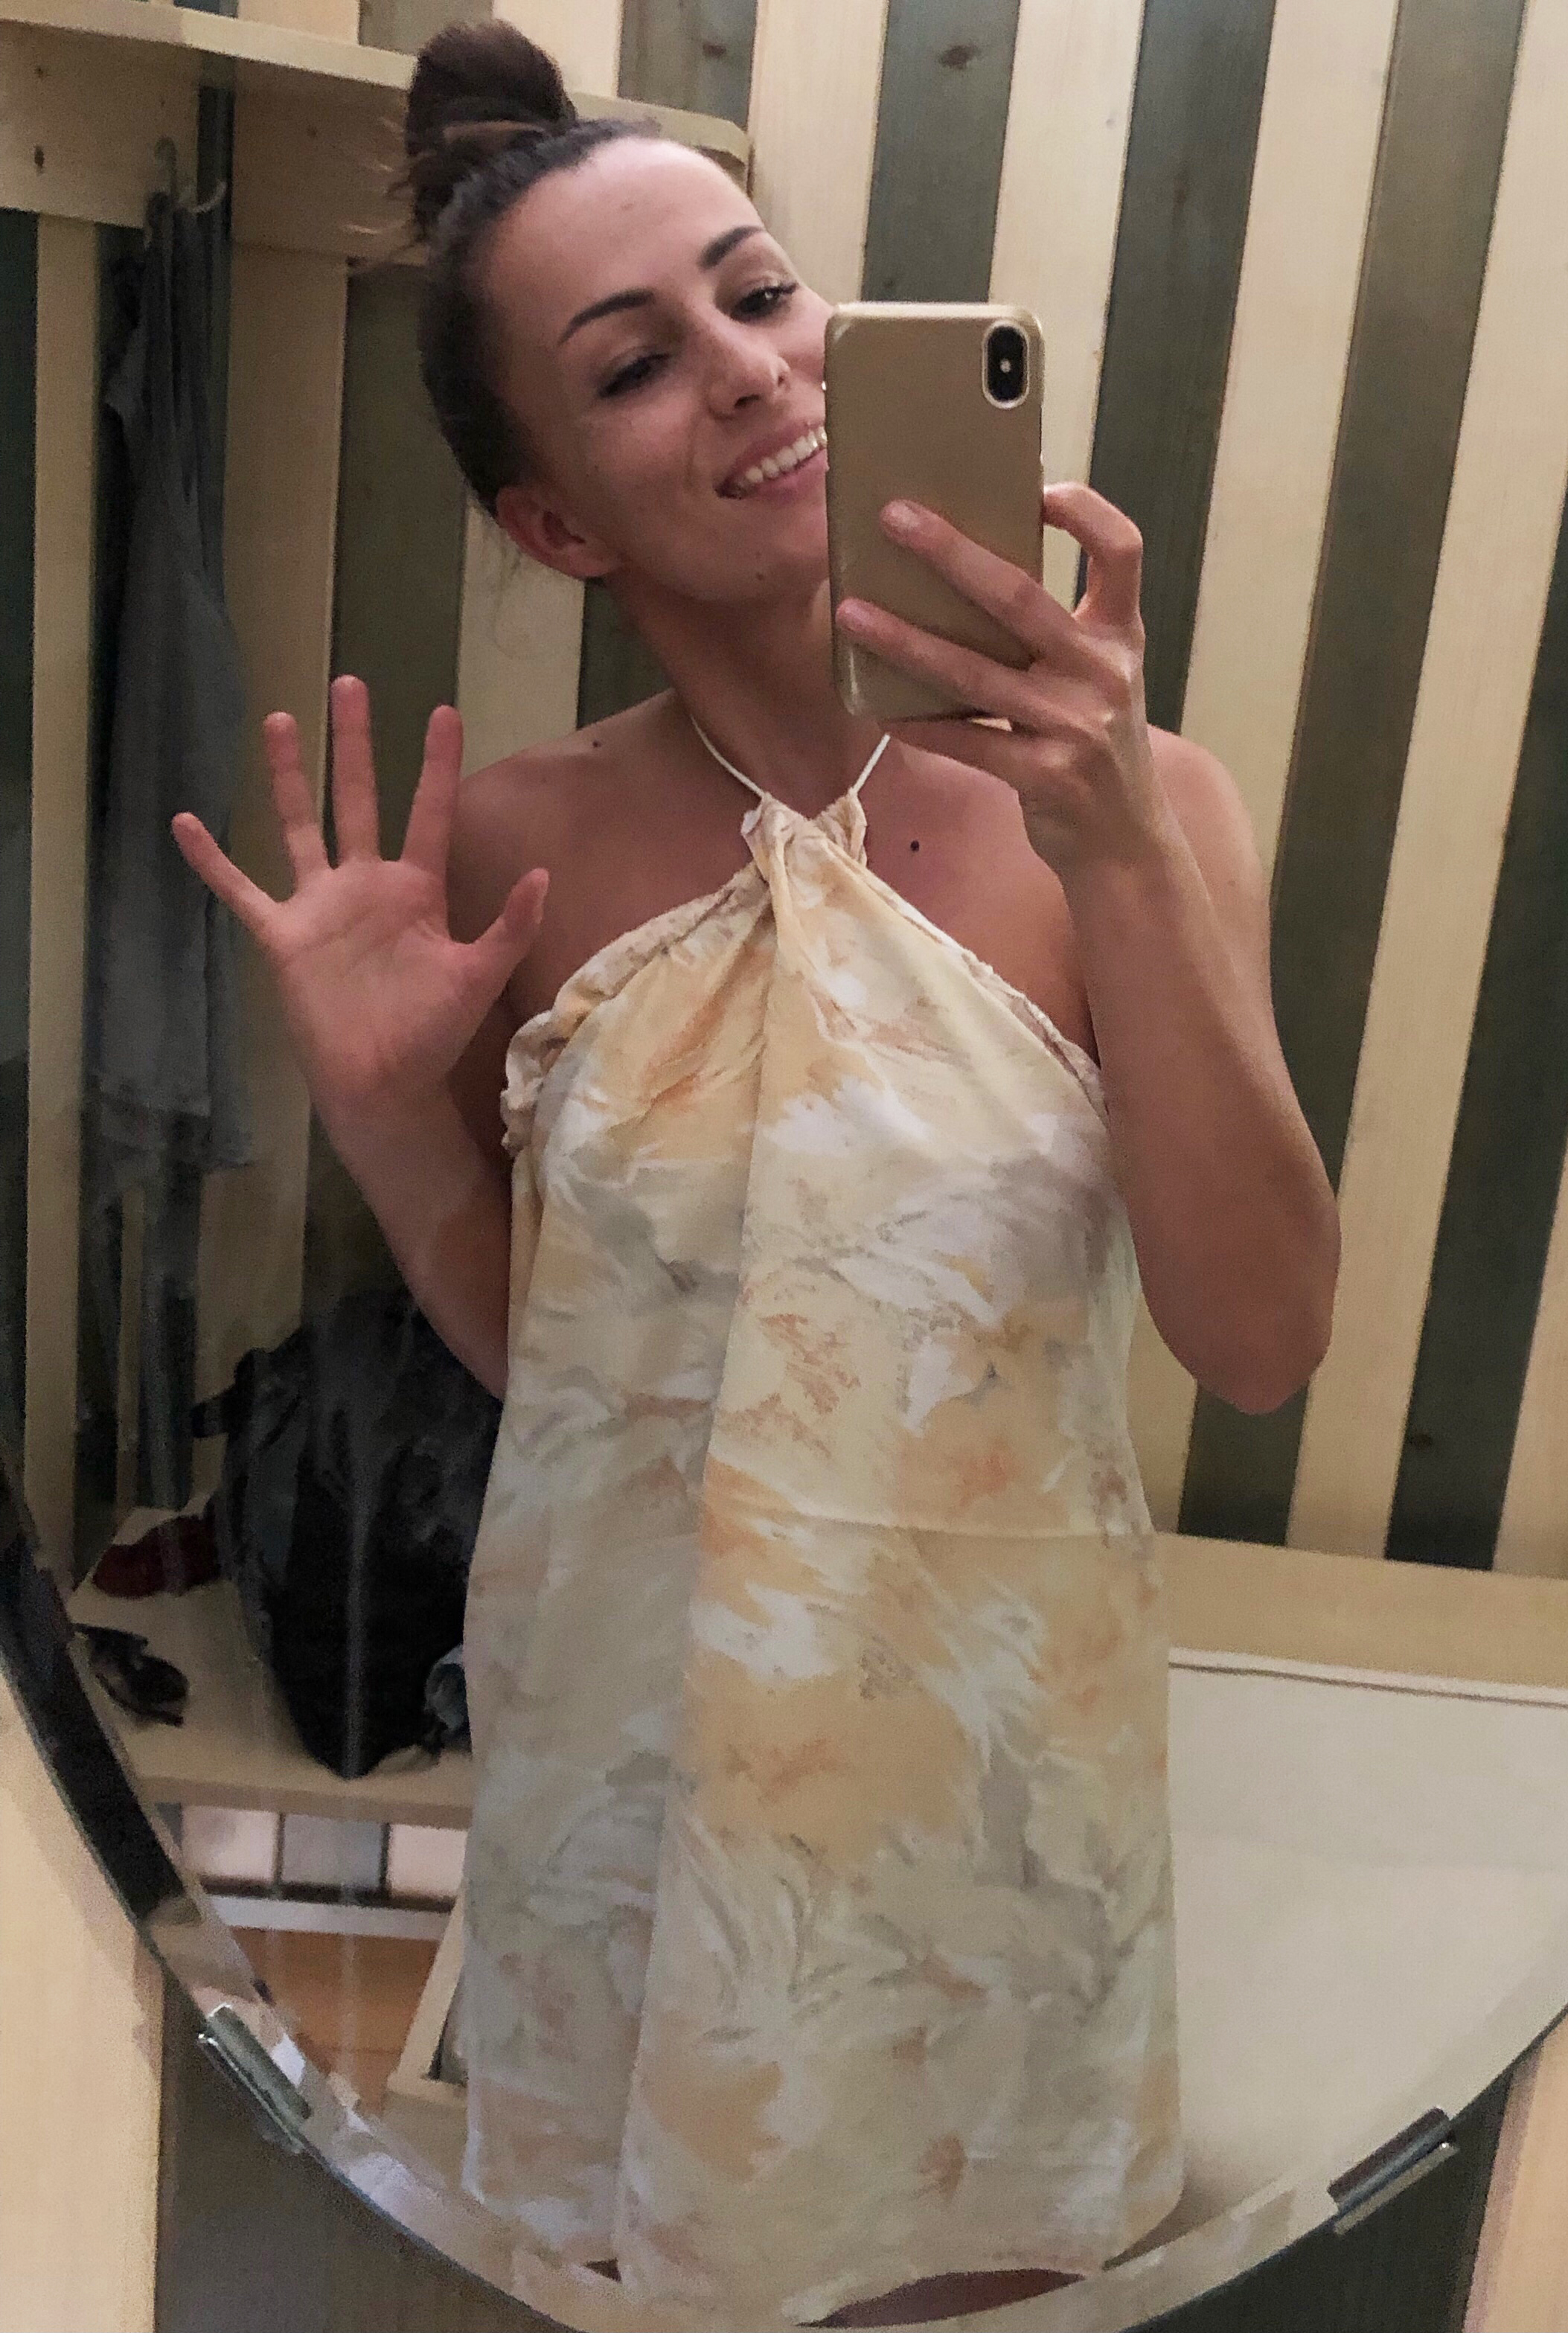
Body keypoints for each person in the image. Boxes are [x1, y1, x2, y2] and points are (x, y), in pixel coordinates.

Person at [173, 22, 1337, 2329]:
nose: (747, 369)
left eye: (761, 293)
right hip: (630, 1779)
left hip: (986, 1807)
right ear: (553, 523)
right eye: (634, 364)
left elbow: (1262, 1338)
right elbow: (562, 1373)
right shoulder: (519, 847)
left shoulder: (1154, 807)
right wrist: (388, 1111)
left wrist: (1117, 855)